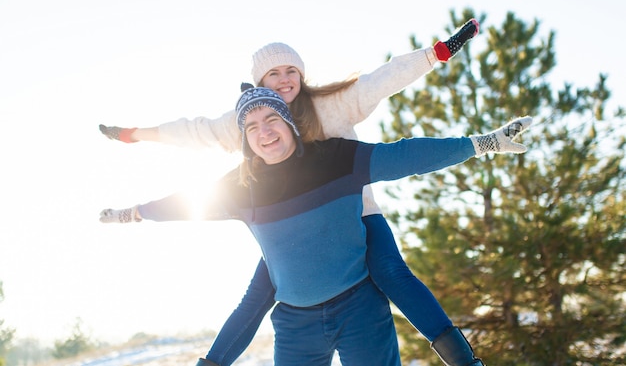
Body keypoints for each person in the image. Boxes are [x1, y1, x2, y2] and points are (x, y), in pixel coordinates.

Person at [98, 19, 487, 365]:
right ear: (258, 82)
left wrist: (440, 52)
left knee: (389, 271)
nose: (284, 80)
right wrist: (135, 136)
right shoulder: (249, 120)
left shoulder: (331, 104)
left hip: (358, 214)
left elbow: (384, 80)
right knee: (260, 296)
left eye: (291, 71)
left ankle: (463, 360)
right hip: (289, 232)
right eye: (273, 74)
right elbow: (193, 131)